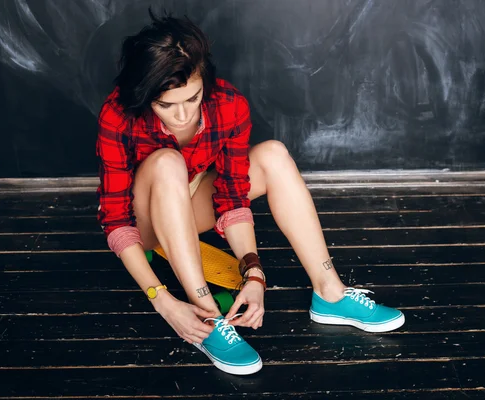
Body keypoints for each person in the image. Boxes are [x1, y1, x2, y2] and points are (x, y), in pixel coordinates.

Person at [96, 10, 405, 376]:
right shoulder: (118, 114)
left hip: (189, 204)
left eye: (191, 99)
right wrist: (161, 300)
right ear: (146, 95)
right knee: (166, 162)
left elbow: (232, 198)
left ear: (204, 84)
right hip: (144, 220)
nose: (181, 116)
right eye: (166, 104)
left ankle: (331, 293)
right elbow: (115, 219)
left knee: (273, 153)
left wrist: (254, 275)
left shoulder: (229, 105)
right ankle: (208, 318)